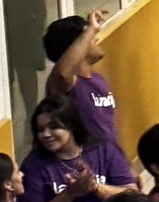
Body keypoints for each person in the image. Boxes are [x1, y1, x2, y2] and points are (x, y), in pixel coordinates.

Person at [43, 10, 121, 149]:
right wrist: (91, 29)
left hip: (111, 161)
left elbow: (109, 131)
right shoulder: (65, 84)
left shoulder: (97, 79)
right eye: (89, 36)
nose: (95, 38)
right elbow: (62, 73)